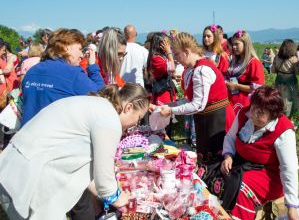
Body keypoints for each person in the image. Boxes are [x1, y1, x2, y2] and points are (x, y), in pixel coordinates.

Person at [0, 83, 149, 220]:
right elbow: (104, 178)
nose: (136, 124)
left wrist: (110, 193)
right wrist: (118, 197)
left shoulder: (98, 107)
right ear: (128, 107)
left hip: (15, 170)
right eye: (139, 118)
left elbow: (92, 173)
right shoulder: (109, 119)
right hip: (25, 180)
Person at [200, 86, 299, 220]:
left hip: (267, 173)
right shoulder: (244, 114)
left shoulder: (284, 131)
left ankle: (232, 216)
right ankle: (207, 210)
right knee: (207, 170)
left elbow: (289, 169)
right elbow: (230, 137)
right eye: (253, 108)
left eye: (260, 113)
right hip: (240, 161)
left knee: (238, 189)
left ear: (272, 115)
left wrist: (292, 207)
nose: (253, 115)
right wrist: (228, 155)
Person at [159, 32, 235, 160]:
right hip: (207, 119)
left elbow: (198, 105)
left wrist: (171, 110)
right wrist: (170, 105)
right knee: (206, 158)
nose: (175, 58)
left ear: (187, 51)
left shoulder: (201, 70)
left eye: (177, 54)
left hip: (218, 120)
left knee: (216, 160)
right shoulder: (192, 69)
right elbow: (191, 100)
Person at [21, 28, 105, 127]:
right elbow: (102, 96)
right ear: (66, 47)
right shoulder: (73, 74)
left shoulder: (32, 71)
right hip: (56, 138)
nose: (82, 55)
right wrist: (92, 65)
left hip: (26, 135)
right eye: (79, 49)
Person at [226, 30, 265, 115]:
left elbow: (257, 88)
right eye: (233, 44)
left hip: (245, 104)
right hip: (231, 101)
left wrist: (237, 86)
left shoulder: (253, 63)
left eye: (237, 44)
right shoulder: (234, 61)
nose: (234, 47)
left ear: (246, 44)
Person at [271, 39, 299, 118]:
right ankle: (289, 120)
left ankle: (279, 119)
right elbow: (298, 72)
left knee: (279, 101)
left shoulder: (276, 57)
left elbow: (273, 70)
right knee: (291, 102)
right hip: (291, 84)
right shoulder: (294, 59)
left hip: (279, 82)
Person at [146, 32, 176, 106]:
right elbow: (172, 68)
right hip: (162, 92)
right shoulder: (156, 58)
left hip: (166, 89)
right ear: (160, 45)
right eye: (167, 43)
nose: (169, 45)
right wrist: (169, 52)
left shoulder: (161, 57)